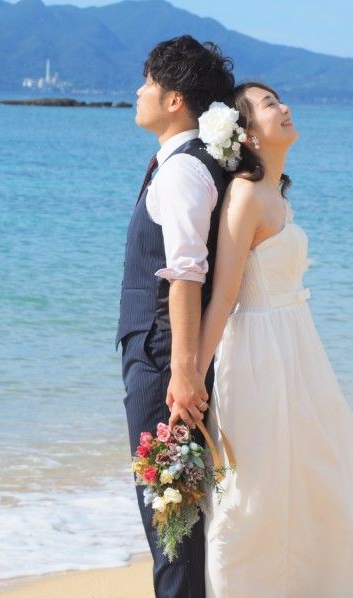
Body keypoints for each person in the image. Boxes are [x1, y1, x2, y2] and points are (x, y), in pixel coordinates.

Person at [192, 81, 353, 597]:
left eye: (280, 99)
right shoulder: (245, 196)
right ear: (246, 134)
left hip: (297, 353)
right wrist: (189, 382)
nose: (285, 107)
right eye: (271, 104)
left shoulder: (275, 192)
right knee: (257, 497)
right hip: (255, 359)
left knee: (318, 482)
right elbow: (223, 296)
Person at [115, 35, 235, 597]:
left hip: (165, 363)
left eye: (147, 81)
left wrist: (184, 371)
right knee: (175, 517)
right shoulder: (181, 162)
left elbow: (186, 274)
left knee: (172, 521)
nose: (138, 91)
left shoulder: (184, 171)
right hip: (161, 357)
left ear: (173, 100)